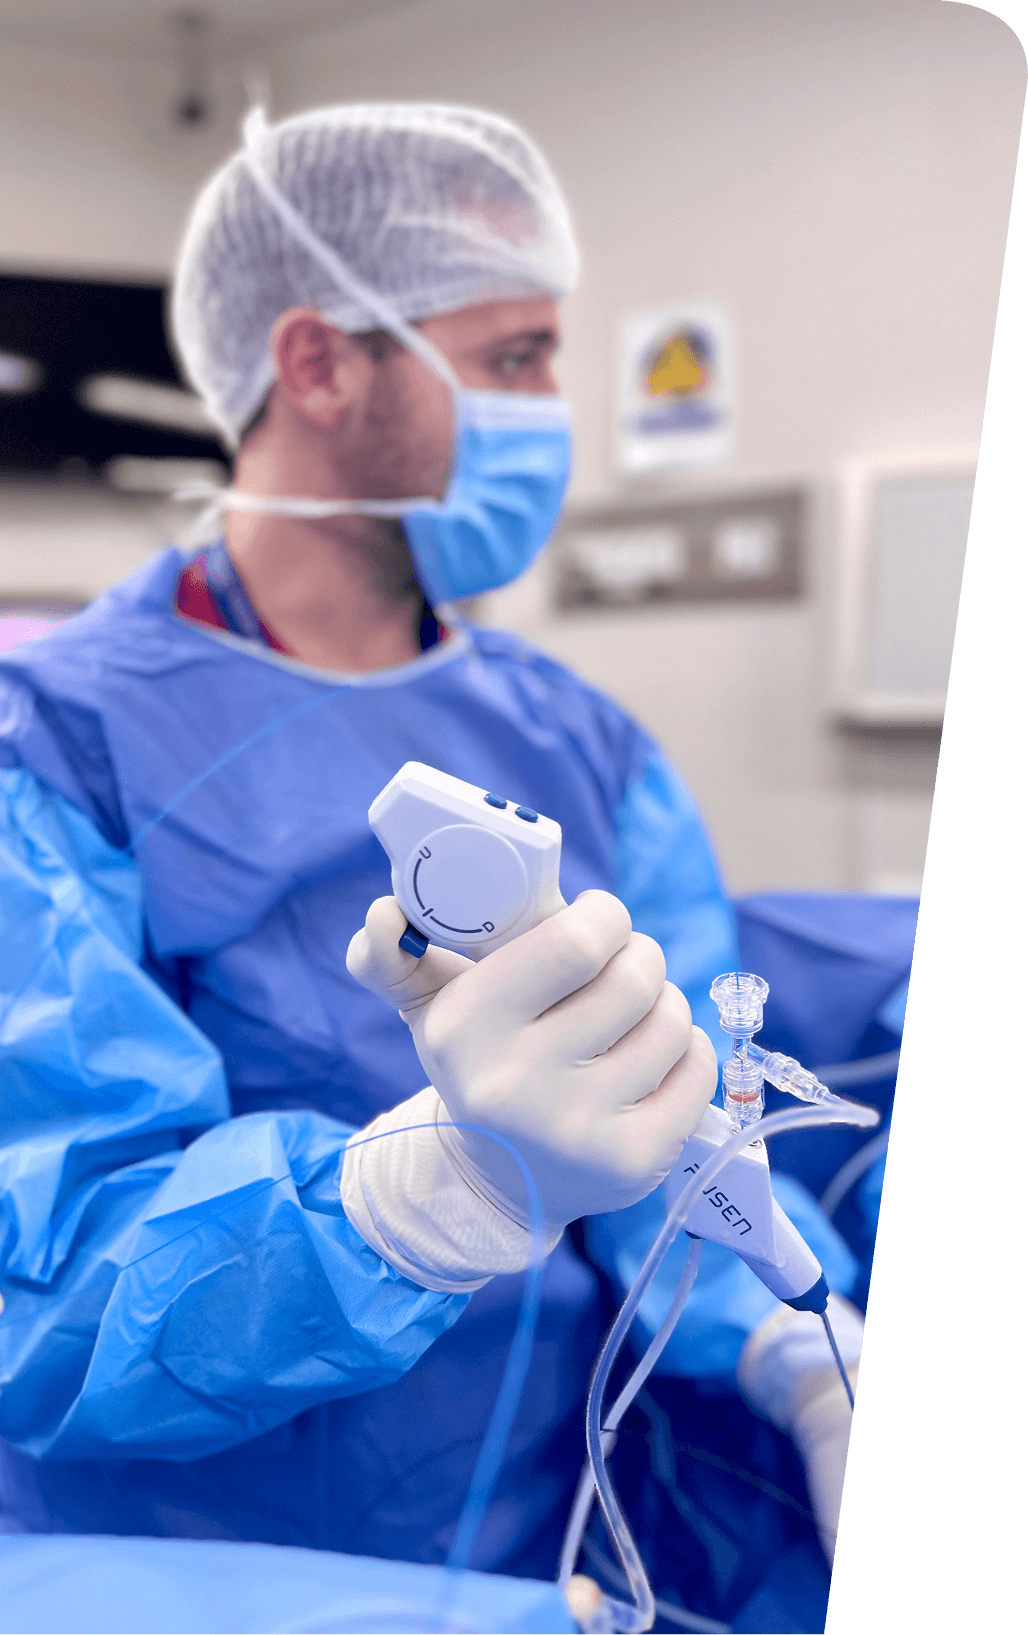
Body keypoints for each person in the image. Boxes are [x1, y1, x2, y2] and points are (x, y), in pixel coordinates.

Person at [0, 103, 862, 1610]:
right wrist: (435, 1193)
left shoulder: (584, 743)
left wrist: (802, 1346)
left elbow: (700, 1123)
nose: (551, 410)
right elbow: (47, 1291)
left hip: (544, 1554)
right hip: (195, 1577)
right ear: (318, 363)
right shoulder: (55, 748)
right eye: (513, 357)